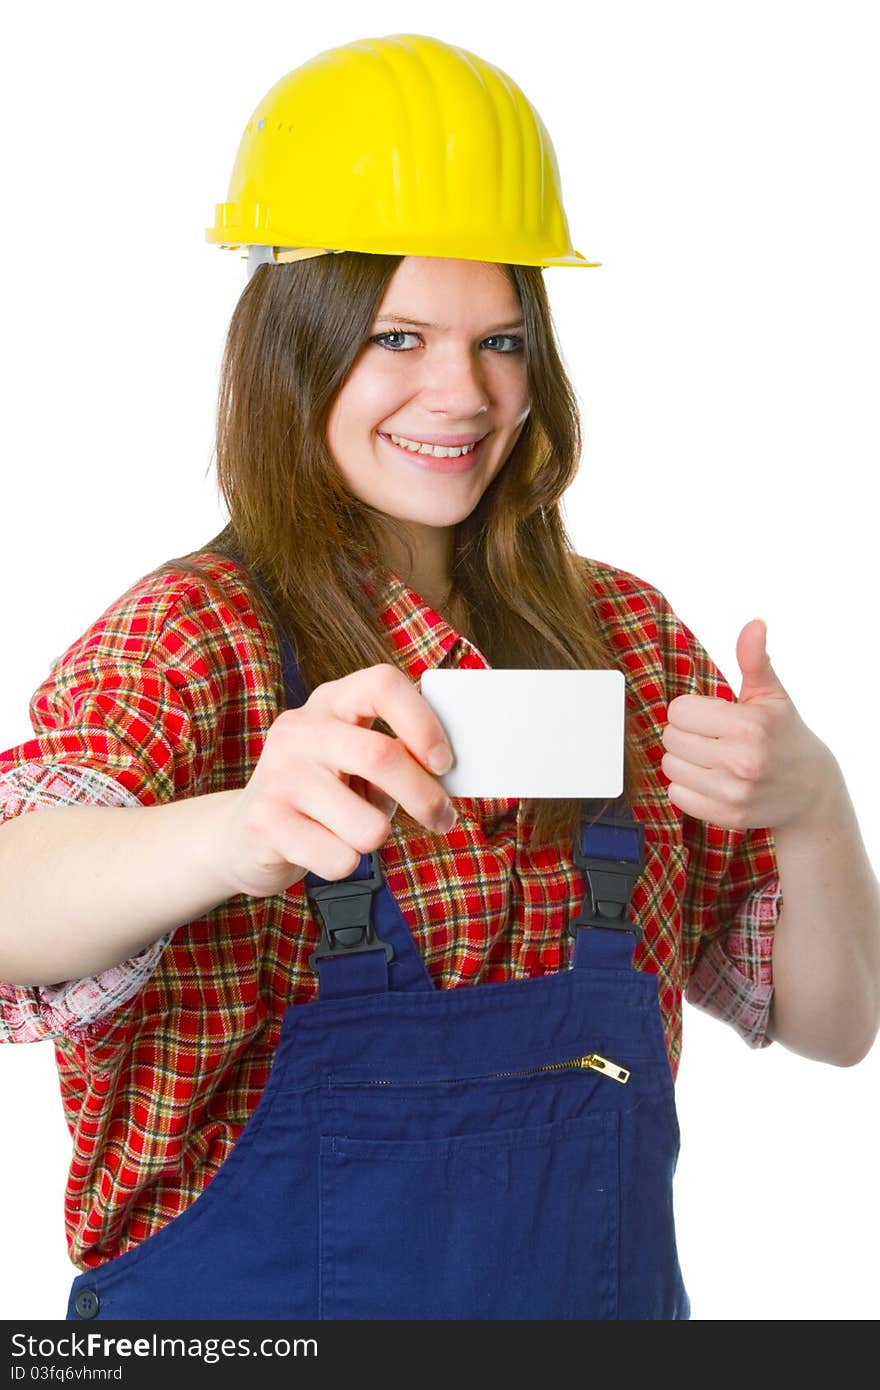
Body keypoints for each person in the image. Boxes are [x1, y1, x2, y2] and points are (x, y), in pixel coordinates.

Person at [0, 31, 877, 1323]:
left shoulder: (628, 639)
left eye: (503, 340)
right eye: (398, 334)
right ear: (293, 342)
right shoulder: (197, 638)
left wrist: (813, 806)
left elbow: (838, 1021)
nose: (462, 393)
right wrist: (239, 826)